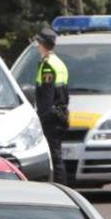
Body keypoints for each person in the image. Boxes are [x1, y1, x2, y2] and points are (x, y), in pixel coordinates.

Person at [33, 27, 70, 185]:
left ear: (42, 44)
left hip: (50, 117)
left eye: (38, 42)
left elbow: (47, 97)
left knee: (54, 157)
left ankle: (61, 190)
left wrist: (41, 118)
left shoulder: (48, 66)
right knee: (57, 156)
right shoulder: (59, 63)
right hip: (60, 113)